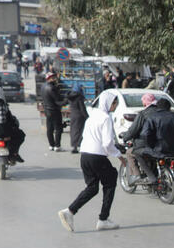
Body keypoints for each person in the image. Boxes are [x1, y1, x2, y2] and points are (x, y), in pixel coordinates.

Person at [58, 89, 122, 232]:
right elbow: (107, 143)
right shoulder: (106, 118)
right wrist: (119, 155)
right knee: (111, 180)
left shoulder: (92, 117)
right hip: (97, 156)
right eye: (114, 103)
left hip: (85, 155)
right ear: (108, 103)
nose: (115, 106)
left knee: (92, 188)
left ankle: (70, 211)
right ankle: (103, 219)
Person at [120, 93, 167, 183]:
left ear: (145, 103)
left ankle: (136, 175)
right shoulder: (160, 111)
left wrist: (125, 137)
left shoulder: (143, 114)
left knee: (130, 153)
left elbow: (133, 130)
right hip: (162, 144)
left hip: (146, 144)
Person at [42, 72, 65, 152]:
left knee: (50, 129)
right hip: (54, 110)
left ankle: (51, 145)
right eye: (53, 77)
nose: (55, 79)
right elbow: (57, 100)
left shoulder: (43, 86)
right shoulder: (52, 87)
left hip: (47, 110)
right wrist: (66, 101)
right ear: (49, 78)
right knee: (58, 128)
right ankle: (57, 146)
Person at [67, 84, 89, 154]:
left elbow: (64, 102)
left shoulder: (70, 96)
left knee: (73, 130)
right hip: (79, 116)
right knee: (79, 131)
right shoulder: (79, 97)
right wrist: (87, 117)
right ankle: (77, 146)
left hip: (73, 115)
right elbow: (82, 109)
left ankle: (74, 146)